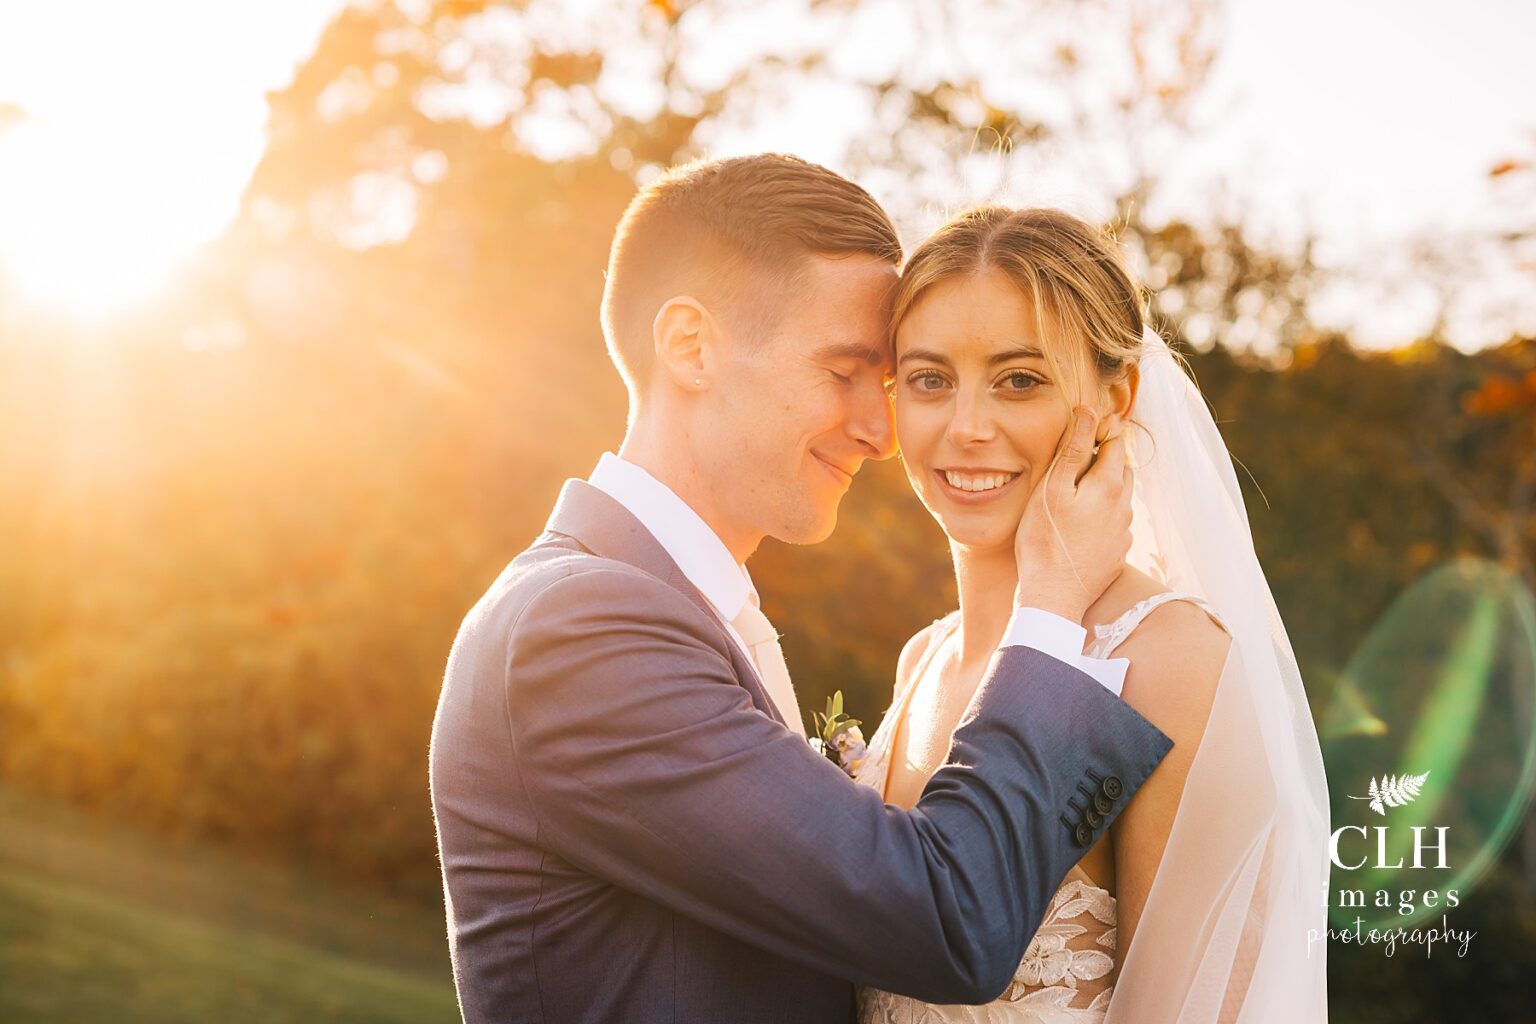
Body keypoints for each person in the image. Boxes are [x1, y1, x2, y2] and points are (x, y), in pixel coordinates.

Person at [428, 156, 1174, 1024]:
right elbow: (948, 920)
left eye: (891, 380)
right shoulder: (580, 630)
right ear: (692, 347)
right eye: (844, 371)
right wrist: (1051, 609)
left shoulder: (672, 610)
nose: (879, 430)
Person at [856, 206, 1329, 1023]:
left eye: (1020, 380)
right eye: (930, 379)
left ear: (1116, 399)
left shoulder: (1170, 663)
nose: (966, 428)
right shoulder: (922, 661)